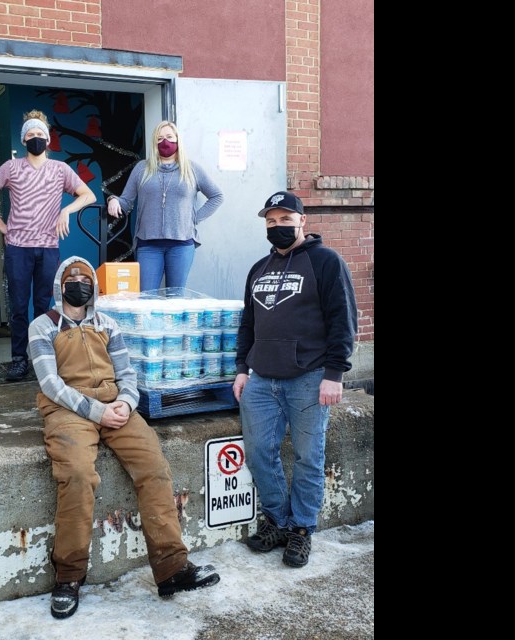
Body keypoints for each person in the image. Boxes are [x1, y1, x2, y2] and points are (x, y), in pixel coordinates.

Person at [28, 256, 220, 619]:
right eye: (72, 278)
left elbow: (127, 372)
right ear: (60, 285)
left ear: (94, 286)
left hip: (114, 407)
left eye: (85, 278)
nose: (79, 283)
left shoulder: (108, 324)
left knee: (153, 465)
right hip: (68, 410)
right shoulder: (43, 326)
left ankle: (171, 568)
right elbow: (50, 384)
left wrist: (126, 403)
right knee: (78, 475)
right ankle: (69, 576)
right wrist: (96, 411)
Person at [232, 191, 358, 569]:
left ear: (303, 221)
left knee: (308, 457)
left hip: (310, 377)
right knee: (258, 452)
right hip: (262, 380)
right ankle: (278, 520)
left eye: (285, 220)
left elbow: (343, 319)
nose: (278, 227)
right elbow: (248, 323)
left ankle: (302, 529)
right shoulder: (259, 269)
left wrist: (334, 374)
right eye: (271, 222)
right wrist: (242, 368)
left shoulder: (326, 262)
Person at [0, 110, 96, 381]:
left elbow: (87, 194)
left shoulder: (60, 170)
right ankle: (19, 359)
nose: (36, 138)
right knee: (19, 306)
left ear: (48, 139)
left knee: (45, 306)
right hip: (18, 247)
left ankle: (44, 358)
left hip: (48, 247)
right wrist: (0, 224)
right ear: (23, 139)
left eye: (40, 134)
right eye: (31, 134)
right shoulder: (11, 167)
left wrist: (66, 211)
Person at [106, 120, 223, 292]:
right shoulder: (142, 168)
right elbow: (126, 200)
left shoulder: (191, 169)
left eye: (169, 137)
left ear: (177, 139)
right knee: (147, 297)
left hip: (182, 244)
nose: (165, 142)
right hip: (148, 245)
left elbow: (216, 196)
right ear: (154, 142)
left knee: (175, 298)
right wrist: (113, 200)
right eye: (159, 138)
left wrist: (193, 219)